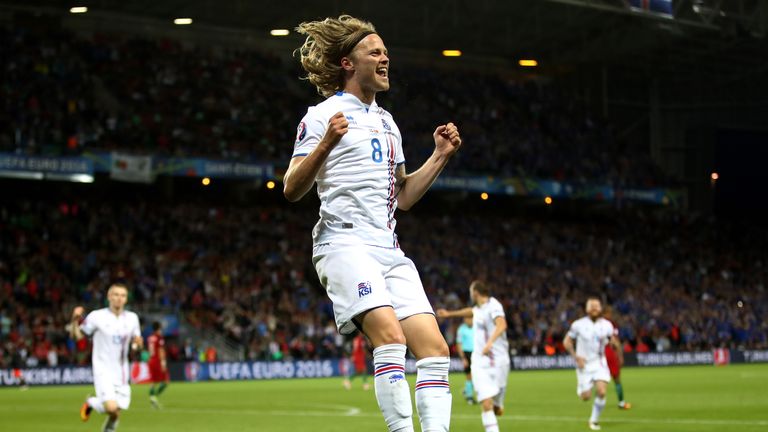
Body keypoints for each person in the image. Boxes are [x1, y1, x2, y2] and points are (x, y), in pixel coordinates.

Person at [285, 14, 462, 432]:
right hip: (344, 244)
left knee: (435, 349)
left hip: (388, 247)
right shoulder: (322, 115)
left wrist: (439, 157)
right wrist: (327, 142)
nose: (386, 58)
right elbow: (291, 188)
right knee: (391, 339)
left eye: (386, 53)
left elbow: (403, 198)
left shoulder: (388, 122)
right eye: (376, 52)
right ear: (349, 62)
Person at [437, 281, 509, 432]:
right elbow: (470, 311)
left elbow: (502, 325)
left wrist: (489, 343)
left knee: (497, 408)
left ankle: (499, 403)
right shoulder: (478, 309)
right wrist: (450, 314)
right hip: (479, 361)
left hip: (499, 361)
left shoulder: (493, 305)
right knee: (486, 402)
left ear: (475, 292)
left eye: (471, 291)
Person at [70, 283, 142, 432]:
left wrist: (138, 345)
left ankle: (96, 409)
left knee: (115, 413)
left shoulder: (132, 319)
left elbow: (136, 346)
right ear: (109, 297)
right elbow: (77, 337)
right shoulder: (97, 316)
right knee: (110, 407)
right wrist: (74, 321)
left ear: (126, 299)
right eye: (115, 294)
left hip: (122, 373)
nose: (119, 298)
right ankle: (91, 402)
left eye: (122, 295)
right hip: (103, 371)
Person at [563, 297, 623, 431]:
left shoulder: (607, 325)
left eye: (597, 306)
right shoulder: (578, 324)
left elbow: (613, 340)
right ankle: (582, 389)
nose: (595, 308)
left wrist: (617, 350)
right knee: (586, 397)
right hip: (584, 365)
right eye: (592, 306)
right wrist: (576, 356)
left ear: (601, 308)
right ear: (586, 309)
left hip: (599, 363)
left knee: (601, 392)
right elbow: (566, 342)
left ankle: (593, 420)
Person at [603, 306, 631, 410]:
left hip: (599, 354)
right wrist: (620, 356)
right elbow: (615, 342)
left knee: (601, 379)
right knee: (616, 379)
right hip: (608, 352)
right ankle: (621, 403)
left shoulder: (597, 324)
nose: (611, 315)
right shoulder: (609, 324)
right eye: (609, 313)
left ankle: (599, 402)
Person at [147, 321, 169, 408]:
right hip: (158, 361)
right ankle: (154, 397)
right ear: (159, 328)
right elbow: (160, 350)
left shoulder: (150, 337)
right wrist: (163, 362)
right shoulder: (159, 337)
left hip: (151, 360)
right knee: (166, 381)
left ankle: (152, 397)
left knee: (153, 382)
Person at [456, 316, 475, 404]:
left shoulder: (477, 327)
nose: (469, 320)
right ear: (465, 319)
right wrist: (463, 358)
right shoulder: (461, 329)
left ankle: (466, 390)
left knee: (477, 377)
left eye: (471, 318)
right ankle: (469, 397)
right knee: (469, 376)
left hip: (477, 353)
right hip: (467, 354)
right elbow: (459, 344)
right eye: (468, 318)